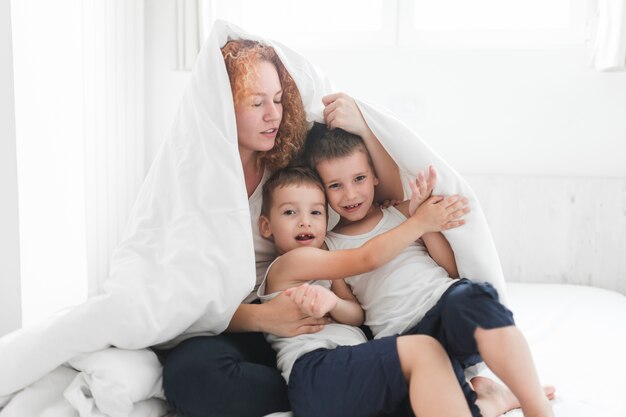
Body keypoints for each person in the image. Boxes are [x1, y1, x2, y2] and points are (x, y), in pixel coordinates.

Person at [159, 40, 405, 417]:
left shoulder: (288, 158)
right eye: (257, 103)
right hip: (241, 320)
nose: (273, 115)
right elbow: (181, 298)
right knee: (192, 375)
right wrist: (262, 317)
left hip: (320, 327)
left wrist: (365, 129)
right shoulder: (194, 182)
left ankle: (340, 386)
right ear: (222, 107)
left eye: (278, 99)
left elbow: (379, 192)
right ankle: (332, 391)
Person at [294, 122, 555, 417]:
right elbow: (357, 314)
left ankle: (537, 407)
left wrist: (422, 220)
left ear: (375, 177)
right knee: (422, 404)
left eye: (359, 178)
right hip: (405, 340)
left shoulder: (401, 212)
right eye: (335, 185)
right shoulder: (330, 245)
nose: (351, 194)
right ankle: (494, 400)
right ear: (322, 190)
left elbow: (449, 267)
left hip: (444, 308)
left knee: (473, 298)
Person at [256, 164, 476, 417]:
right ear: (266, 226)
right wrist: (419, 222)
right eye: (290, 212)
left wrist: (332, 304)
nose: (305, 221)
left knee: (427, 394)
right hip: (320, 367)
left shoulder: (326, 263)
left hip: (351, 365)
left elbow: (356, 315)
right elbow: (365, 259)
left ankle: (488, 402)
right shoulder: (290, 263)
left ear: (327, 222)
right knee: (425, 350)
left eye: (316, 212)